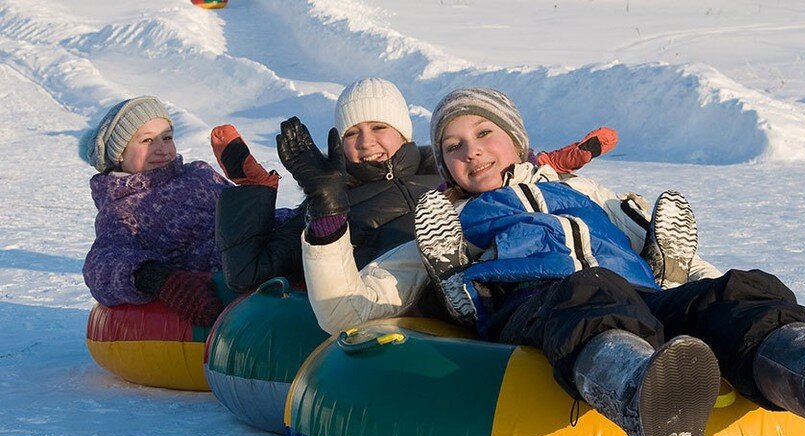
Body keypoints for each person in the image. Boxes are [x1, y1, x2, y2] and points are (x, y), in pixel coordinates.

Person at [304, 87, 805, 436]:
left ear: (517, 140)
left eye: (483, 135)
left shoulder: (584, 195)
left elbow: (697, 276)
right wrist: (328, 226)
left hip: (635, 294)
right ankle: (644, 398)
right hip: (539, 302)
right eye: (452, 147)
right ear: (440, 164)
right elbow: (347, 310)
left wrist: (717, 288)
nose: (470, 153)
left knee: (735, 293)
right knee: (589, 293)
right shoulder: (445, 218)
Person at [215, 77, 618, 294]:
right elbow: (248, 273)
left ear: (404, 132)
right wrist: (254, 188)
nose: (367, 141)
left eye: (379, 127)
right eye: (353, 132)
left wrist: (543, 163)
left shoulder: (449, 168)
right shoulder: (330, 196)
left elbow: (502, 183)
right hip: (395, 302)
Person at [82, 96, 235, 326]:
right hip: (227, 278)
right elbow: (102, 264)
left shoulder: (199, 173)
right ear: (120, 153)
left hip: (255, 247)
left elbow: (243, 213)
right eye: (147, 141)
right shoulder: (122, 208)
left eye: (167, 138)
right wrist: (161, 279)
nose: (161, 149)